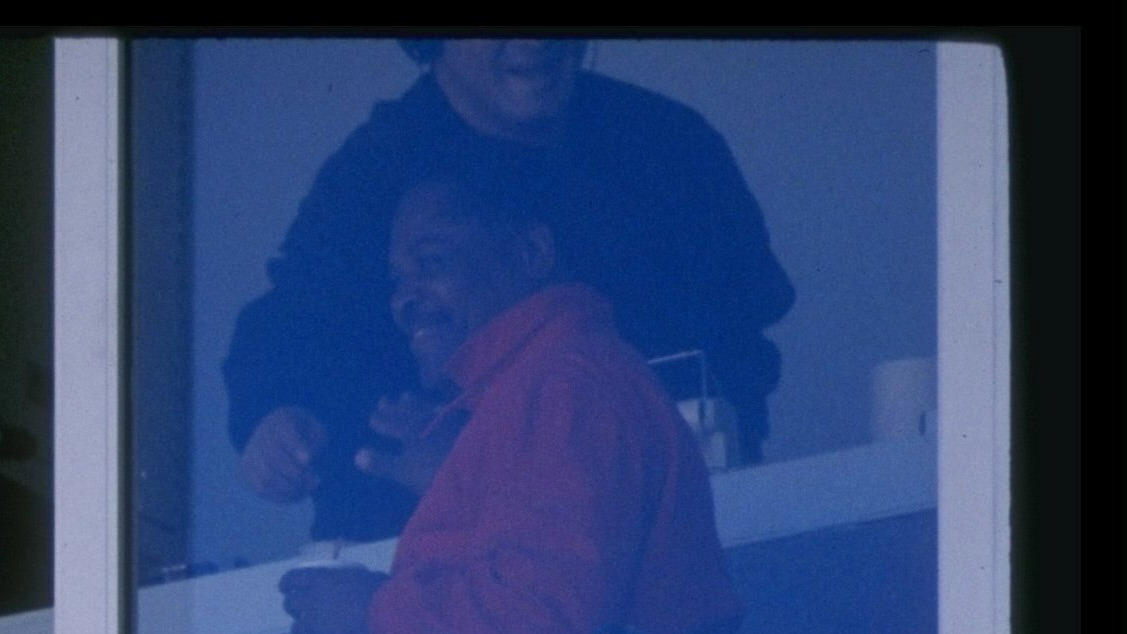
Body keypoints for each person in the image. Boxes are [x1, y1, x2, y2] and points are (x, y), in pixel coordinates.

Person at [278, 177, 743, 634]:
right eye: (397, 281)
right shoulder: (534, 390)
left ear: (531, 253)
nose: (406, 299)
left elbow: (544, 604)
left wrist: (373, 611)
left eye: (431, 264)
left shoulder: (564, 384)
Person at [224, 39, 793, 544]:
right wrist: (273, 417)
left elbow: (741, 344)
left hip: (657, 541)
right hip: (416, 567)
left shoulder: (671, 145)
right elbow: (289, 326)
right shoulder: (367, 177)